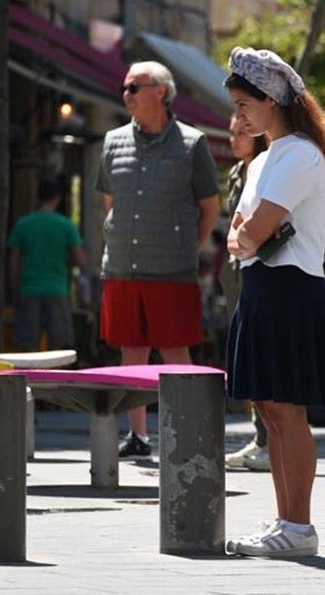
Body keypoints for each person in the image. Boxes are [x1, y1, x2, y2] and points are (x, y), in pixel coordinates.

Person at [223, 47, 325, 557]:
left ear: (273, 99)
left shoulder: (301, 153)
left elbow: (255, 231)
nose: (239, 114)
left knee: (288, 411)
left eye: (246, 102)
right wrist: (245, 238)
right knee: (270, 410)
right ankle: (285, 523)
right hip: (262, 286)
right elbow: (237, 235)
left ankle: (300, 527)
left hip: (291, 287)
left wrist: (245, 237)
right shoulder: (264, 158)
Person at [97, 60, 220, 458]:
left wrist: (188, 247)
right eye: (125, 87)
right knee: (130, 350)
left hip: (172, 268)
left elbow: (210, 208)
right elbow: (109, 201)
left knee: (174, 350)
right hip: (122, 266)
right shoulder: (113, 141)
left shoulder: (192, 143)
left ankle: (183, 433)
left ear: (161, 92)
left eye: (134, 86)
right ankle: (138, 436)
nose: (126, 93)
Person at [219, 115, 271, 472]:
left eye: (242, 133)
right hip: (238, 272)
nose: (235, 139)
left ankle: (268, 441)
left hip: (260, 272)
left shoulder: (270, 171)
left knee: (264, 361)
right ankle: (260, 438)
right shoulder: (239, 172)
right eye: (232, 133)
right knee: (248, 361)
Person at [8, 177, 87, 351]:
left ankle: (30, 378)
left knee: (29, 348)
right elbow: (81, 261)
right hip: (57, 290)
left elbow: (14, 262)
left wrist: (15, 291)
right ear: (57, 198)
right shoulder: (66, 226)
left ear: (37, 197)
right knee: (59, 347)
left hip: (28, 290)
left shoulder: (23, 224)